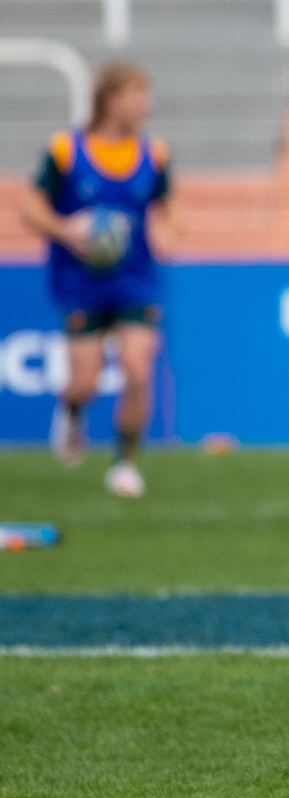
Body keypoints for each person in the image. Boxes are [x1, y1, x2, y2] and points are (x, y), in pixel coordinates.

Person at [21, 63, 179, 499]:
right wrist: (68, 230)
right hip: (80, 282)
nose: (145, 104)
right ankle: (71, 411)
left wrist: (169, 229)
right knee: (85, 380)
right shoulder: (66, 151)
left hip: (135, 280)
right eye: (137, 95)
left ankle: (126, 464)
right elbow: (30, 209)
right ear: (112, 100)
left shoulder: (154, 155)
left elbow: (165, 207)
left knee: (137, 368)